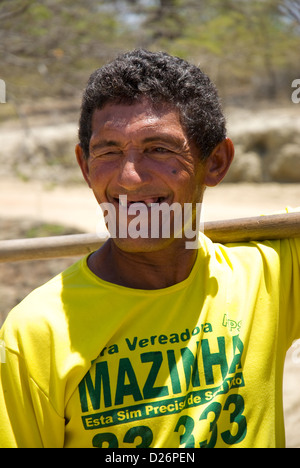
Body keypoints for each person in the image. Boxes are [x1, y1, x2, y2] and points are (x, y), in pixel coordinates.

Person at [0, 49, 299, 449]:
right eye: (107, 152)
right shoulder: (34, 333)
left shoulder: (270, 276)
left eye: (159, 149)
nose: (129, 179)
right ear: (85, 166)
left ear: (216, 162)